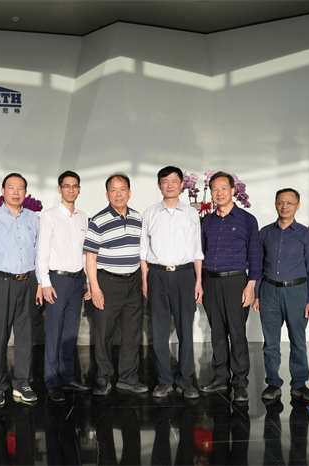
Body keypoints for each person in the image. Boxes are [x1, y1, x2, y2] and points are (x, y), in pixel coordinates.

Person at [0, 173, 43, 408]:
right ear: (3, 191)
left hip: (28, 282)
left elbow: (38, 253)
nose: (16, 192)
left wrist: (40, 284)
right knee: (0, 336)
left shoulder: (33, 218)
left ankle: (22, 383)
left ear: (26, 192)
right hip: (1, 283)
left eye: (20, 188)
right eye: (11, 188)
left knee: (25, 336)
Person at [140, 166, 204, 399]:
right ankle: (164, 380)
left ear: (182, 185)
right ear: (159, 185)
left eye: (174, 181)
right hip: (157, 275)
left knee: (186, 329)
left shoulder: (191, 214)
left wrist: (198, 281)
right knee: (159, 331)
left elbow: (197, 250)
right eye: (165, 181)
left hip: (185, 276)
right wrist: (145, 281)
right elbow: (143, 251)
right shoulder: (150, 214)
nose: (170, 185)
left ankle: (186, 380)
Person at [200, 171, 262, 402]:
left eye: (223, 188)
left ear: (233, 190)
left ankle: (240, 382)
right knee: (217, 332)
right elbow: (201, 253)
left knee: (237, 333)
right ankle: (220, 377)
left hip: (236, 282)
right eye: (214, 189)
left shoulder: (247, 220)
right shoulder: (208, 221)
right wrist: (200, 283)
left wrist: (251, 285)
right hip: (210, 282)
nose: (219, 193)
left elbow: (255, 255)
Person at [253, 188, 309, 402]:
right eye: (281, 202)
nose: (285, 206)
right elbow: (257, 266)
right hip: (269, 291)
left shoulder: (305, 234)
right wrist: (257, 294)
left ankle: (299, 384)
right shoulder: (264, 233)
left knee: (298, 341)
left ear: (297, 206)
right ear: (275, 204)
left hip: (297, 292)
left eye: (290, 203)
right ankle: (273, 383)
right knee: (270, 342)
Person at [83, 173, 147, 396]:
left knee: (132, 333)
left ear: (129, 193)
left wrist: (144, 281)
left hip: (133, 282)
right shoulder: (98, 220)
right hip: (107, 282)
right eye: (113, 190)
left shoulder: (138, 218)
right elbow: (90, 257)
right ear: (107, 194)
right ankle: (103, 377)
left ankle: (128, 377)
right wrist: (95, 287)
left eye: (122, 189)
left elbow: (142, 253)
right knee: (104, 333)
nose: (118, 194)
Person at [38, 170, 91, 402]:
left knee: (70, 332)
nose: (71, 189)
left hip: (77, 280)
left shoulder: (83, 217)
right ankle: (52, 381)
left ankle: (68, 377)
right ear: (59, 189)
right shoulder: (49, 216)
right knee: (54, 332)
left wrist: (88, 281)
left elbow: (85, 253)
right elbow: (42, 252)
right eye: (66, 186)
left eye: (75, 186)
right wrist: (45, 282)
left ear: (79, 189)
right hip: (57, 280)